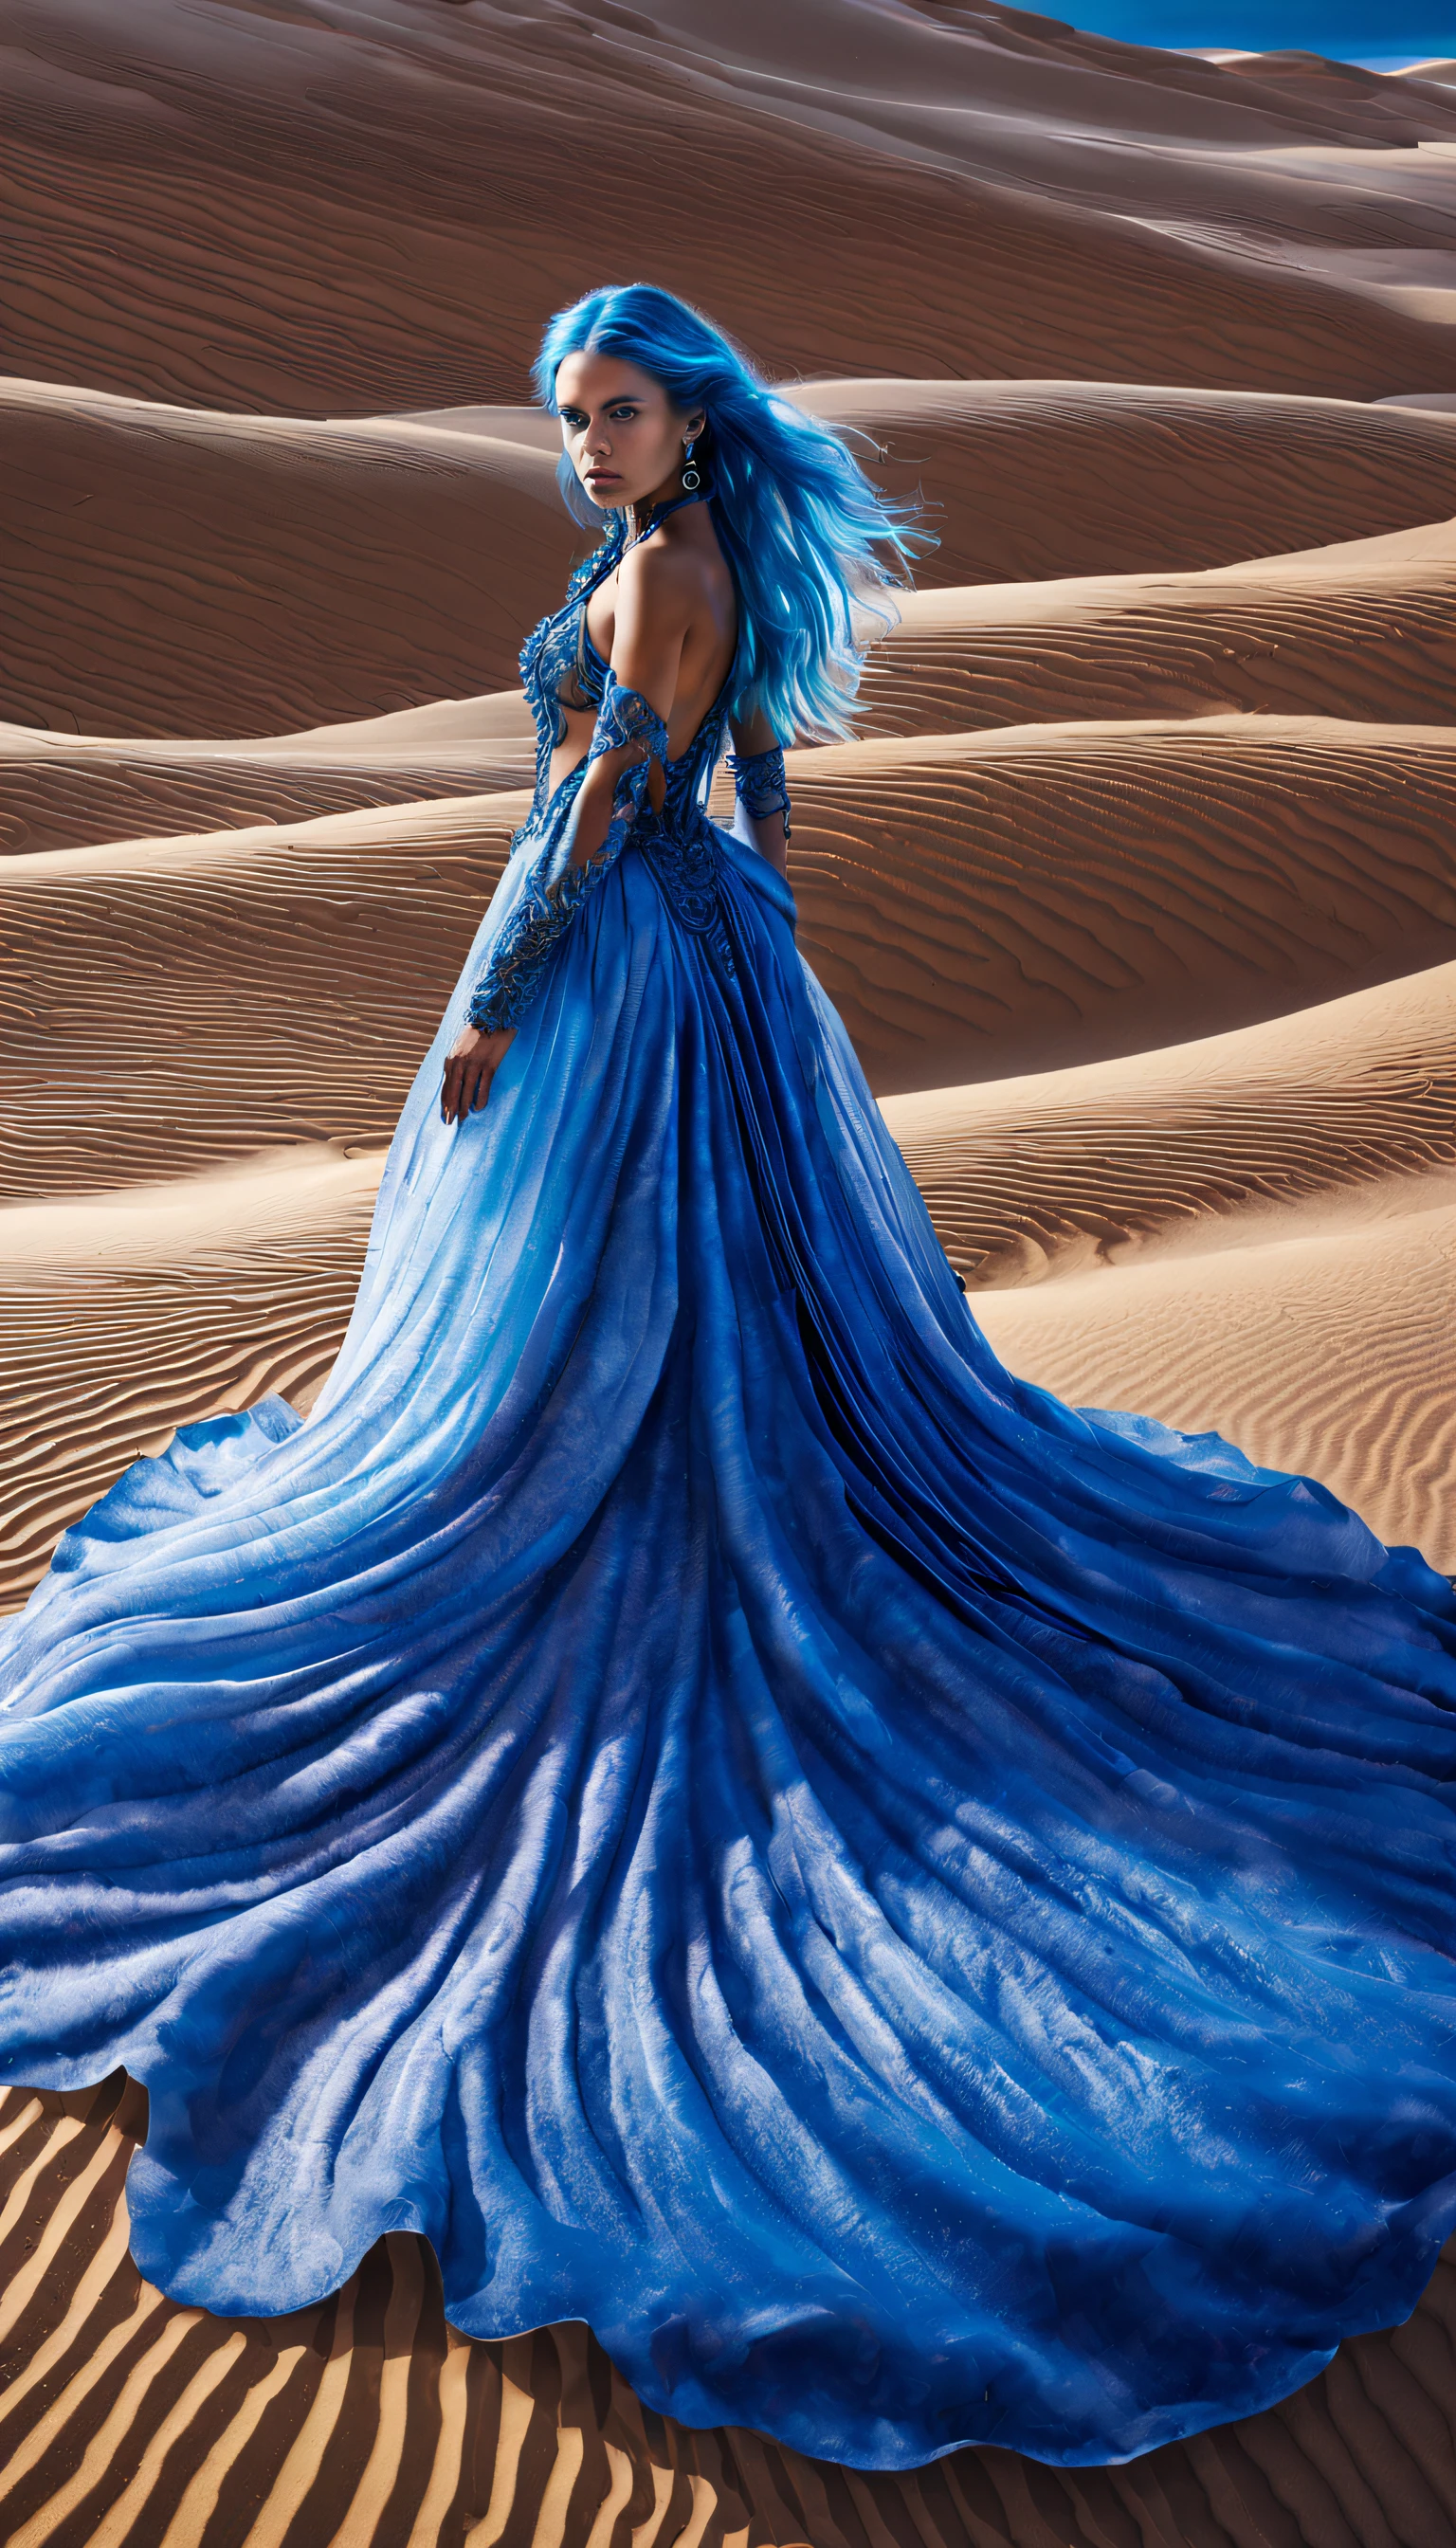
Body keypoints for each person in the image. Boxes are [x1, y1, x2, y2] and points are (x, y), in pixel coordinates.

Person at [2, 284, 1454, 2478]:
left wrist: (498, 991)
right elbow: (746, 777)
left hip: (612, 969)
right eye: (568, 421)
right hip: (691, 961)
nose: (587, 449)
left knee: (619, 1312)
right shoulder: (673, 551)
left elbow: (607, 782)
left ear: (693, 422)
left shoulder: (674, 567)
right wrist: (763, 933)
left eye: (617, 416)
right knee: (626, 1316)